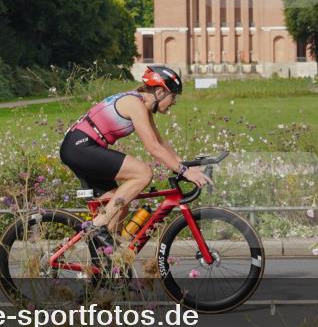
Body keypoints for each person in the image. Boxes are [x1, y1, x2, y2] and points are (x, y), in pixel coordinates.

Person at [59, 64, 211, 250]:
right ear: (160, 92)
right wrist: (184, 171)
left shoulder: (142, 106)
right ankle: (98, 226)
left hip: (81, 147)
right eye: (173, 96)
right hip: (80, 147)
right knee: (143, 173)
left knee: (120, 204)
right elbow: (153, 148)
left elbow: (160, 142)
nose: (174, 102)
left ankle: (106, 260)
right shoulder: (134, 104)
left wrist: (185, 165)